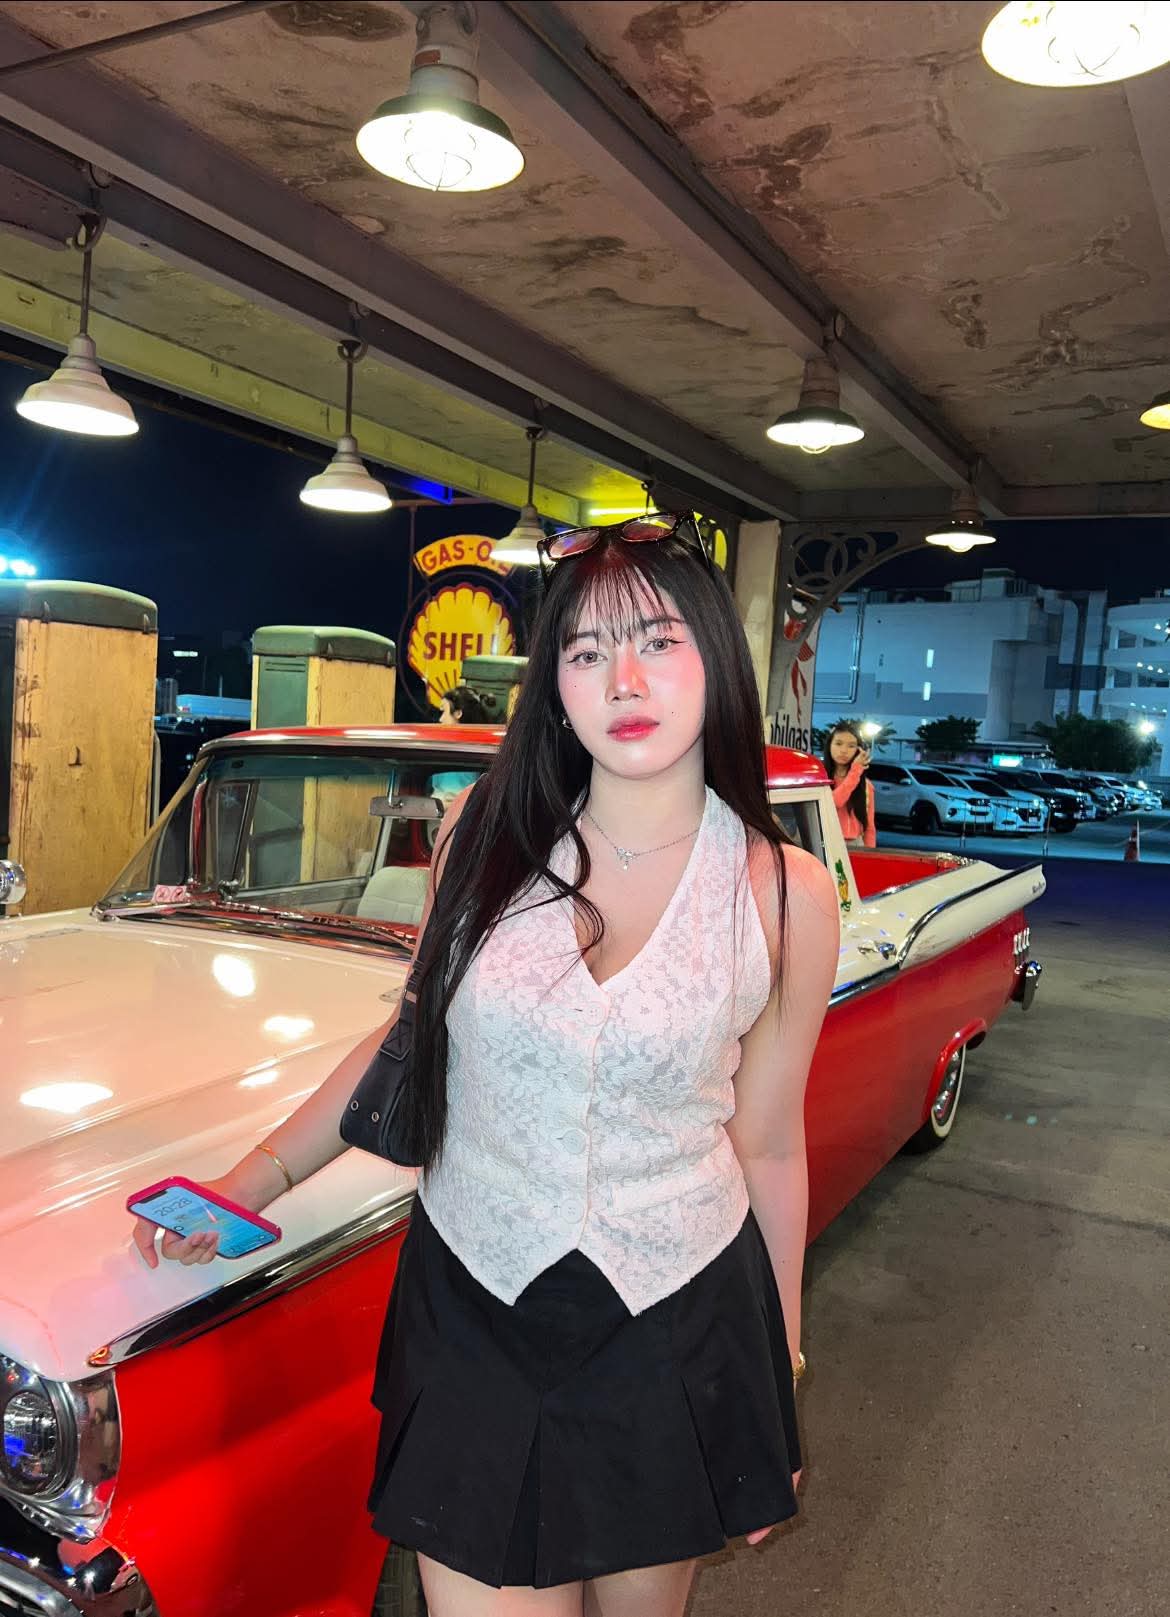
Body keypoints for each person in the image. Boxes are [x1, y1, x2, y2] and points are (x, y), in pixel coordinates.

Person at [132, 511, 840, 1617]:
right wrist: (248, 1181)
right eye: (586, 651)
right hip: (474, 1301)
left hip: (674, 1312)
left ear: (714, 653)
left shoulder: (785, 892)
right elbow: (411, 1040)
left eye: (657, 640)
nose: (623, 680)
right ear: (554, 681)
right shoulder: (481, 840)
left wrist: (776, 1366)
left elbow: (770, 1143)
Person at [825, 721, 875, 850]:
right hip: (826, 843)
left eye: (851, 746)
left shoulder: (866, 785)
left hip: (856, 845)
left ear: (858, 750)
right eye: (838, 743)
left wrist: (870, 854)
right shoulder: (820, 779)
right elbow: (835, 802)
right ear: (829, 745)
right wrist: (855, 771)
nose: (843, 750)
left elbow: (869, 827)